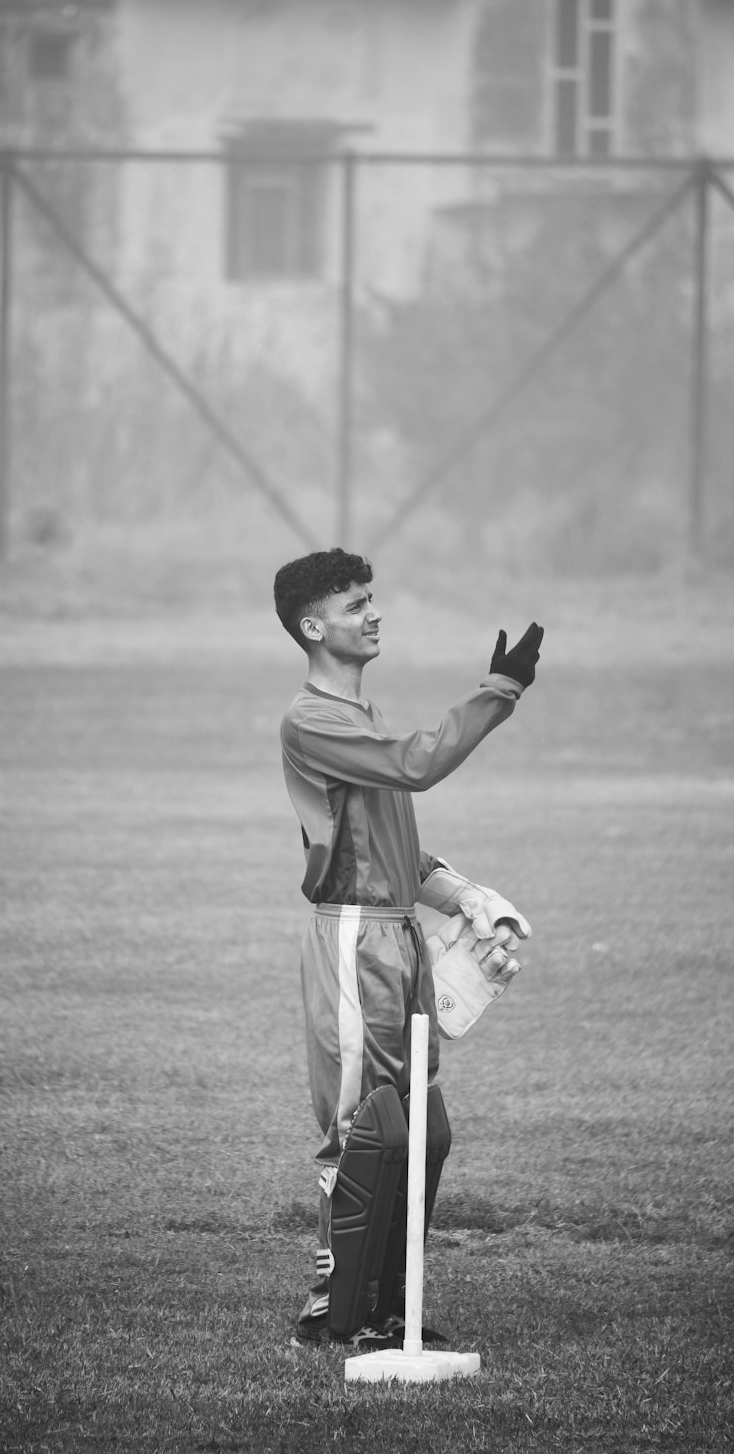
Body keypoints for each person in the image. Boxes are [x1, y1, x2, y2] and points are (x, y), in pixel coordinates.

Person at [273, 547, 543, 1351]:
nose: (373, 613)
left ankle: (387, 1304)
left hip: (397, 933)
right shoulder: (312, 719)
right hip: (354, 939)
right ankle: (333, 1305)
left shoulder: (359, 717)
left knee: (419, 1129)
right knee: (362, 1126)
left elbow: (399, 847)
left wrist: (466, 896)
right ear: (313, 626)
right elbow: (418, 767)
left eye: (370, 599)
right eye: (356, 604)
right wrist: (500, 692)